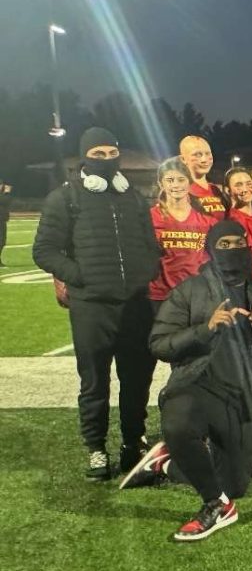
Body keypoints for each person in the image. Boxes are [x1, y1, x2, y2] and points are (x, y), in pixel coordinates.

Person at [124, 220, 252, 541]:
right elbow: (159, 344)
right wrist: (206, 328)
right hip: (195, 386)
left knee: (236, 485)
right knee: (179, 424)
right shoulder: (189, 291)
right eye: (224, 245)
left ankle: (168, 463)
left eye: (238, 243)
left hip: (240, 399)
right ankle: (216, 505)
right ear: (209, 251)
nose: (232, 250)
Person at [33, 127, 161, 480]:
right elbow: (44, 251)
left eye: (111, 153)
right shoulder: (65, 198)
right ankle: (96, 449)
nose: (106, 160)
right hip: (92, 307)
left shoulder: (132, 197)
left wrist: (144, 271)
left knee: (136, 379)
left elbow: (152, 246)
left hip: (135, 303)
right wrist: (82, 277)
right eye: (98, 154)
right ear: (84, 157)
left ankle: (132, 442)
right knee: (94, 382)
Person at [149, 158, 217, 313]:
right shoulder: (151, 217)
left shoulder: (206, 221)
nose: (176, 185)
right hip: (161, 296)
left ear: (189, 183)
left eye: (181, 180)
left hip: (195, 296)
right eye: (170, 180)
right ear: (161, 184)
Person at [179, 135, 227, 218]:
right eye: (197, 155)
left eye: (208, 153)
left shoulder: (215, 190)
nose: (204, 160)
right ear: (183, 159)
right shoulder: (179, 191)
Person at [0, 176, 11, 266]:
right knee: (1, 240)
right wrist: (6, 193)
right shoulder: (3, 195)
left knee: (2, 241)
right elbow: (3, 201)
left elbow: (7, 202)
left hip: (2, 220)